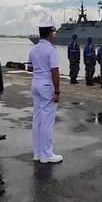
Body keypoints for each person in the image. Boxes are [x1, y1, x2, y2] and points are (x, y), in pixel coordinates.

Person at [27, 21, 63, 163]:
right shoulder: (51, 50)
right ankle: (47, 154)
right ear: (49, 34)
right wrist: (57, 91)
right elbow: (55, 71)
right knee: (47, 121)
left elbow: (29, 68)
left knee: (37, 119)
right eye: (52, 32)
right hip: (47, 84)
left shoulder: (33, 49)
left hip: (35, 83)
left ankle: (37, 153)